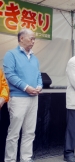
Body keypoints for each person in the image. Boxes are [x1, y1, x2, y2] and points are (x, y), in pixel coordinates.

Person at [3, 28, 43, 162]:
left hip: (33, 98)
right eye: (31, 38)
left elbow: (38, 75)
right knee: (14, 133)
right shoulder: (11, 54)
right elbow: (10, 75)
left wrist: (39, 86)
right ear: (21, 38)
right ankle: (10, 160)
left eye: (34, 39)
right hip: (18, 98)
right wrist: (26, 88)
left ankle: (26, 158)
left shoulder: (35, 57)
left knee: (29, 132)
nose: (33, 41)